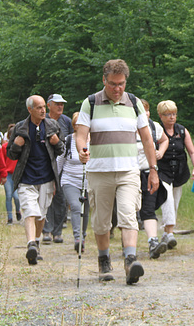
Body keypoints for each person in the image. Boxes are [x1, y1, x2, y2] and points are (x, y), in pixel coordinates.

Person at [75, 59, 160, 284]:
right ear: (104, 80)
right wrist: (82, 150)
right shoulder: (90, 102)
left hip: (128, 171)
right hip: (99, 171)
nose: (117, 88)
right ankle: (104, 260)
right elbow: (81, 135)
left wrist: (153, 169)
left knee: (128, 215)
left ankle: (130, 261)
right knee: (102, 221)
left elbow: (147, 138)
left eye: (121, 83)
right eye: (113, 84)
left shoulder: (134, 102)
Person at [7, 95, 64, 265]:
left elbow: (62, 150)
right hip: (26, 179)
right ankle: (30, 244)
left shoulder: (53, 126)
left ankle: (36, 243)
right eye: (38, 108)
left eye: (43, 107)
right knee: (30, 212)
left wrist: (56, 142)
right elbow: (10, 154)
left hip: (46, 179)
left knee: (41, 215)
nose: (42, 110)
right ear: (29, 109)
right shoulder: (20, 128)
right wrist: (17, 145)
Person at [156, 100, 194, 249]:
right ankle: (170, 234)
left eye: (174, 114)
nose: (172, 117)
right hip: (162, 171)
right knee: (166, 199)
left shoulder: (182, 130)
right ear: (161, 116)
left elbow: (192, 151)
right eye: (168, 114)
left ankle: (167, 233)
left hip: (179, 172)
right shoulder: (156, 130)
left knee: (174, 203)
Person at [137, 99, 169, 259]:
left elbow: (164, 140)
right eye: (142, 111)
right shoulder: (127, 127)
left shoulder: (154, 126)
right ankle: (127, 247)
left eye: (147, 110)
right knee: (129, 212)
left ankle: (153, 243)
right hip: (129, 175)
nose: (145, 114)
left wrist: (161, 152)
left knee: (149, 209)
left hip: (149, 173)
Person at [57, 112, 91, 253]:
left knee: (86, 210)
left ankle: (82, 237)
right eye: (77, 124)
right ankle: (77, 238)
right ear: (74, 126)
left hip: (89, 181)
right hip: (69, 179)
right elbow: (60, 160)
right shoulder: (68, 140)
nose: (79, 126)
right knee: (76, 207)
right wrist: (55, 179)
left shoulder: (94, 140)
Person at [42, 93, 73, 244]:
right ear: (49, 105)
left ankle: (57, 232)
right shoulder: (42, 121)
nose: (60, 106)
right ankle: (46, 231)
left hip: (63, 166)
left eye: (62, 104)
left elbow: (73, 142)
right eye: (57, 104)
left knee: (61, 198)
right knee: (46, 196)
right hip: (45, 166)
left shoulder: (67, 121)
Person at [1, 124, 21, 225]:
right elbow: (1, 161)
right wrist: (2, 175)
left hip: (17, 175)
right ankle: (9, 217)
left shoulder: (21, 147)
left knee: (17, 197)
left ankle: (18, 210)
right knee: (9, 196)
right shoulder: (4, 147)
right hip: (8, 175)